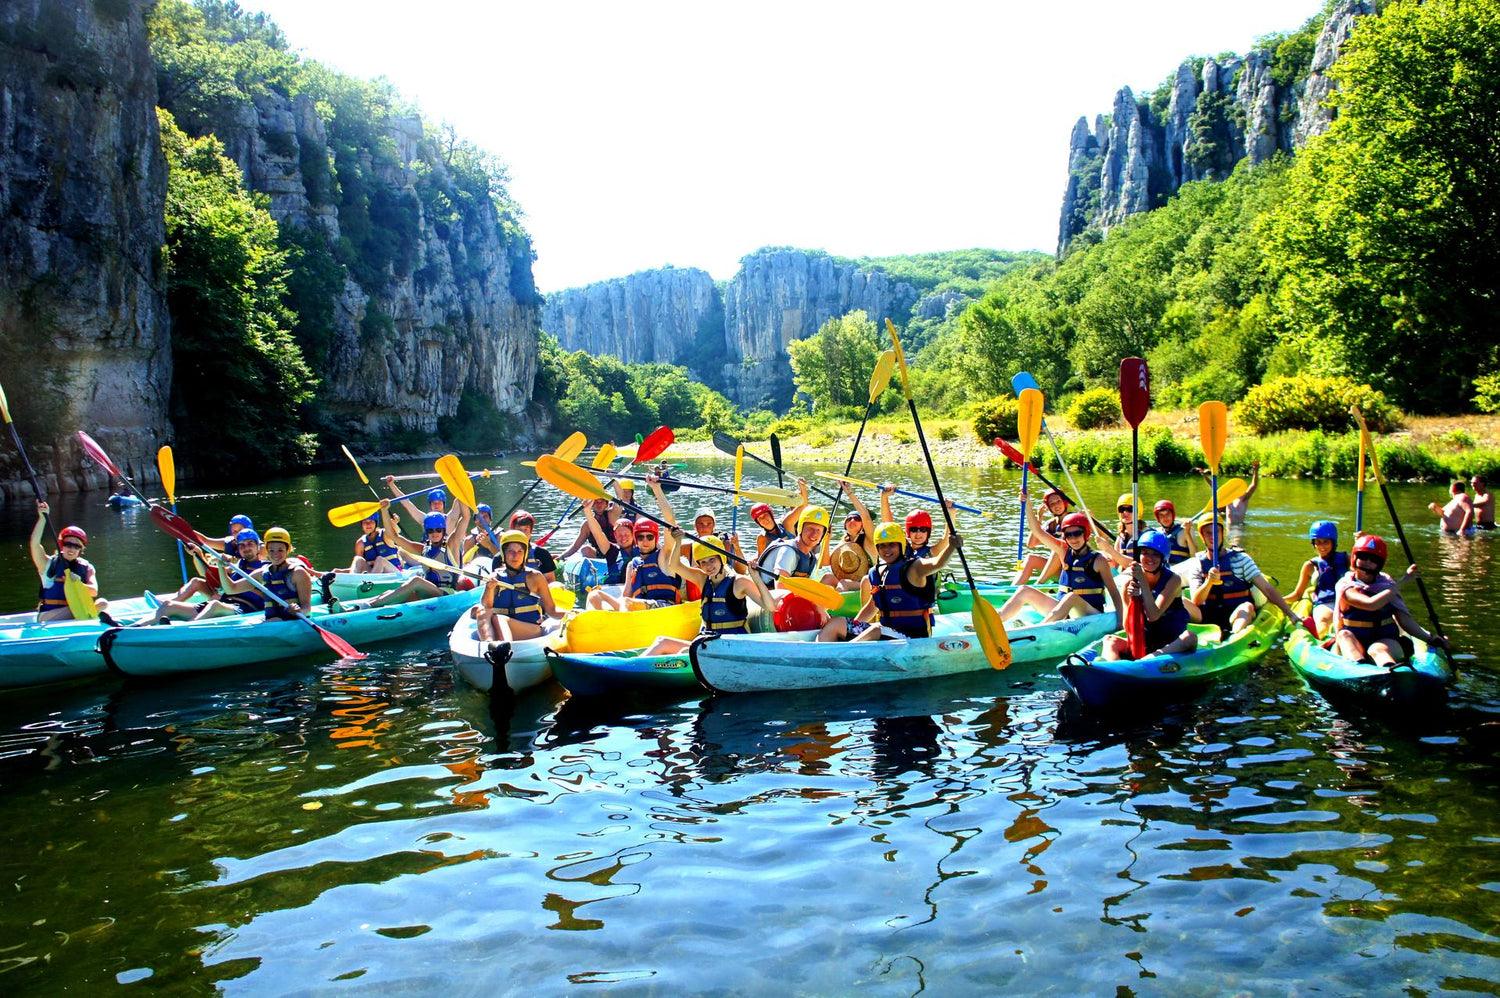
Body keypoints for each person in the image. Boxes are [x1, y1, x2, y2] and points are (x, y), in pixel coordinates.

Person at [638, 528, 780, 656]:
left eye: (712, 560)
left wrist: (756, 578)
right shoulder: (702, 579)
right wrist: (678, 540)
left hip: (733, 645)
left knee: (684, 652)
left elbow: (770, 606)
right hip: (708, 641)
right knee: (661, 641)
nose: (708, 566)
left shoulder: (739, 582)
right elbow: (674, 565)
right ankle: (633, 668)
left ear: (721, 558)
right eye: (703, 562)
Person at [818, 521, 961, 642]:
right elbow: (872, 606)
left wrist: (951, 546)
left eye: (892, 544)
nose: (887, 550)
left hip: (913, 637)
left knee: (876, 629)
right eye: (882, 545)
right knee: (836, 623)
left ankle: (841, 652)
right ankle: (816, 653)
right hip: (887, 632)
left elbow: (938, 563)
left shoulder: (915, 567)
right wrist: (855, 625)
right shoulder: (877, 573)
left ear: (901, 545)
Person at [996, 496, 1124, 626]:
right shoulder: (1064, 552)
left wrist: (1120, 621)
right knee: (1024, 590)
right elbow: (1037, 531)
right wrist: (1027, 503)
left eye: (1077, 533)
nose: (1073, 539)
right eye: (1068, 535)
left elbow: (1114, 592)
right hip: (1063, 610)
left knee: (1071, 597)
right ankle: (993, 622)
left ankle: (1037, 630)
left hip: (1091, 615)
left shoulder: (1098, 560)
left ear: (1086, 534)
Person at [1333, 534, 1446, 665]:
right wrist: (1403, 581)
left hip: (1385, 639)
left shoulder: (1387, 584)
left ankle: (1391, 673)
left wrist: (1430, 639)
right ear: (1355, 558)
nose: (1367, 562)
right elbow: (1371, 604)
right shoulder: (1346, 586)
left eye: (1373, 559)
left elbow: (1405, 621)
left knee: (1377, 649)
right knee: (1344, 635)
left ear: (1379, 564)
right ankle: (1359, 669)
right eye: (1363, 557)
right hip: (1355, 638)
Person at [1186, 516, 1306, 636]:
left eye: (1216, 532)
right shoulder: (1197, 564)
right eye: (1208, 533)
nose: (1213, 536)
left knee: (1247, 607)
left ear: (1223, 533)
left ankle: (1233, 637)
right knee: (1180, 601)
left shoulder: (1241, 559)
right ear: (1202, 536)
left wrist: (1291, 614)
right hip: (1208, 616)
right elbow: (1196, 601)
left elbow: (1267, 588)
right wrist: (1209, 582)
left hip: (1236, 614)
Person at [1100, 530, 1197, 659]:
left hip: (1171, 643)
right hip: (1144, 643)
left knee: (1190, 637)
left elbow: (1153, 615)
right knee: (1109, 640)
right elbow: (1126, 626)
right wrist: (1130, 599)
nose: (1150, 558)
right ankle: (1112, 669)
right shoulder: (1130, 583)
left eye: (1155, 554)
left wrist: (1143, 583)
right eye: (1145, 553)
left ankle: (1150, 659)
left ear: (1163, 557)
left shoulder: (1173, 580)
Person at [152, 529, 270, 622]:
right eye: (242, 545)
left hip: (245, 608)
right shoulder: (238, 565)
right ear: (238, 548)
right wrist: (197, 554)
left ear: (258, 547)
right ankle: (138, 628)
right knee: (168, 605)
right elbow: (206, 573)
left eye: (250, 544)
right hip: (226, 603)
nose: (246, 548)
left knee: (214, 605)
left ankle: (187, 628)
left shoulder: (266, 568)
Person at [475, 529, 563, 650]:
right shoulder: (496, 577)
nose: (515, 556)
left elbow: (551, 611)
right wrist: (490, 588)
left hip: (529, 630)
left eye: (519, 551)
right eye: (510, 551)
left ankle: (506, 649)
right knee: (482, 611)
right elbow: (487, 605)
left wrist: (570, 615)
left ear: (525, 554)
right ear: (503, 553)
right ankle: (489, 646)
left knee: (499, 618)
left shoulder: (535, 577)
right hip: (500, 627)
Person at [367, 503, 467, 606]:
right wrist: (384, 510)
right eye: (430, 531)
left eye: (438, 530)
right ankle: (365, 604)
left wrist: (462, 494)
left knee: (416, 581)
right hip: (427, 593)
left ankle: (372, 605)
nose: (435, 533)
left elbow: (465, 517)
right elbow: (394, 536)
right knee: (391, 593)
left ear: (443, 530)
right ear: (427, 532)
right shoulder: (423, 549)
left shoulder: (451, 544)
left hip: (446, 595)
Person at [217, 526, 314, 620]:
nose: (275, 554)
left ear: (287, 550)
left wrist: (299, 611)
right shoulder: (262, 573)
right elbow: (231, 589)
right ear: (266, 550)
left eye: (280, 550)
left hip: (292, 620)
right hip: (272, 621)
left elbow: (307, 609)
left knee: (275, 620)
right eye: (271, 550)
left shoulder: (298, 573)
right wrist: (221, 567)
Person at [585, 519, 684, 611]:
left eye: (650, 537)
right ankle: (610, 621)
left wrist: (659, 498)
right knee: (594, 595)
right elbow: (626, 596)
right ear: (637, 539)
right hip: (638, 607)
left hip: (664, 607)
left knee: (628, 603)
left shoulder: (663, 557)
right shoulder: (632, 564)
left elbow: (669, 519)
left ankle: (618, 622)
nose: (645, 541)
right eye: (641, 537)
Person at [30, 503, 102, 622]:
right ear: (61, 545)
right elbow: (34, 544)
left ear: (81, 549)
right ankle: (92, 619)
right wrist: (42, 518)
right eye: (68, 544)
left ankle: (92, 620)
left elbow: (94, 591)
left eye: (76, 546)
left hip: (77, 612)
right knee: (88, 609)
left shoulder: (87, 567)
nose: (71, 549)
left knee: (102, 603)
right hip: (48, 617)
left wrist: (78, 583)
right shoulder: (48, 564)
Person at [1287, 520, 1349, 637]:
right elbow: (1297, 594)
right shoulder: (1310, 565)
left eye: (1325, 542)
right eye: (1318, 542)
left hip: (1347, 601)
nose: (1321, 546)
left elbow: (1361, 568)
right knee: (1324, 620)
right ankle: (1321, 641)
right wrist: (1277, 600)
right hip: (1325, 603)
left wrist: (1359, 542)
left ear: (1333, 542)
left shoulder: (1346, 558)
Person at [821, 482, 877, 592]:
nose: (852, 520)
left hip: (869, 584)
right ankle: (817, 606)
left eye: (857, 519)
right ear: (845, 525)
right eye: (849, 519)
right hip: (850, 583)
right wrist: (826, 539)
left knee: (843, 583)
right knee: (827, 577)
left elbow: (865, 516)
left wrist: (849, 493)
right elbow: (825, 563)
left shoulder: (869, 539)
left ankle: (835, 608)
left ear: (862, 525)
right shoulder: (844, 541)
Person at [757, 506, 830, 584]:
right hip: (770, 593)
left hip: (792, 593)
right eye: (810, 528)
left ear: (823, 534)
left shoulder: (810, 557)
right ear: (800, 528)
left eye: (818, 530)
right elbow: (781, 587)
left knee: (830, 578)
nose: (814, 534)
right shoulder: (787, 551)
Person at [1014, 488, 1071, 585]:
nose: (1056, 506)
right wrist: (1039, 519)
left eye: (1058, 501)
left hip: (1073, 571)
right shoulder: (1051, 524)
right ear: (1048, 507)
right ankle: (1013, 589)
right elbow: (1031, 543)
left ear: (1064, 502)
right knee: (1030, 559)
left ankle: (1038, 585)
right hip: (1059, 571)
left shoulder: (1075, 519)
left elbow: (1101, 533)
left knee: (1058, 548)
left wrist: (1090, 517)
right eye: (1052, 504)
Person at [751, 478, 809, 556]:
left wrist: (802, 488)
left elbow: (803, 505)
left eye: (765, 515)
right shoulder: (762, 538)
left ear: (771, 514)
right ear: (758, 523)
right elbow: (760, 560)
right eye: (760, 518)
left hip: (796, 559)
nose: (764, 519)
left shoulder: (786, 523)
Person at [1198, 460, 1260, 524]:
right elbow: (1214, 487)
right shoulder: (1228, 499)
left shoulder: (1244, 498)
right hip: (1229, 530)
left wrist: (1255, 471)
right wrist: (1204, 475)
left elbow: (1253, 485)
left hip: (1240, 529)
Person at [506, 510, 558, 583]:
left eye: (526, 529)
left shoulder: (543, 554)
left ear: (531, 532)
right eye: (519, 530)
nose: (522, 533)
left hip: (537, 592)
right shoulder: (500, 557)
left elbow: (550, 582)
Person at [1151, 499, 1196, 565]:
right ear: (1158, 518)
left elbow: (1195, 557)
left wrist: (1187, 533)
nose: (1165, 518)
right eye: (1161, 515)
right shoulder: (1155, 533)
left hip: (1181, 571)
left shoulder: (1185, 530)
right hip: (1163, 572)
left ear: (1173, 515)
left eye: (1167, 514)